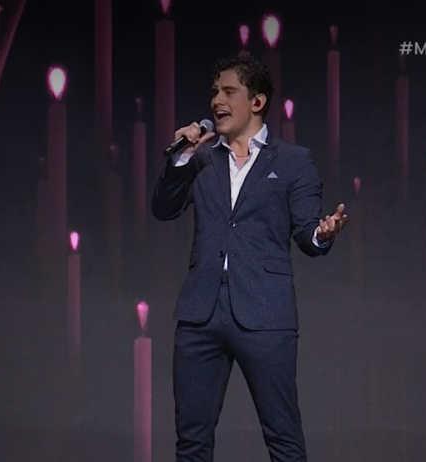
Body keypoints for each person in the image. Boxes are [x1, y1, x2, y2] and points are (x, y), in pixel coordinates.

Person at [151, 55, 348, 462]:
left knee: (283, 438)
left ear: (257, 102)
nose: (216, 101)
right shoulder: (201, 158)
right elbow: (163, 209)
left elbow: (306, 233)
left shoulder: (293, 161)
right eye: (214, 93)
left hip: (265, 312)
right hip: (200, 314)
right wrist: (181, 157)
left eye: (229, 92)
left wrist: (322, 233)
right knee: (191, 442)